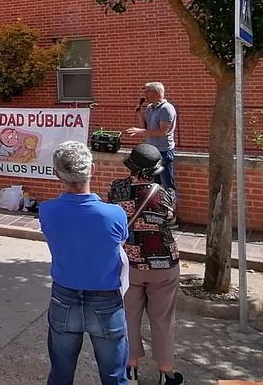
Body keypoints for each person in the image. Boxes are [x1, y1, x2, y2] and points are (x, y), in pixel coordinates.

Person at [40, 140, 129, 385]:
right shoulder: (115, 214)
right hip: (106, 301)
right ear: (92, 169)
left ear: (57, 174)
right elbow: (121, 240)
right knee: (114, 377)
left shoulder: (47, 210)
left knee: (60, 373)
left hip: (64, 297)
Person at [108, 144, 182, 385]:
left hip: (129, 264)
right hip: (164, 265)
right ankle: (166, 371)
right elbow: (171, 223)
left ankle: (130, 368)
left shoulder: (117, 189)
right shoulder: (166, 194)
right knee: (163, 319)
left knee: (129, 315)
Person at [126, 83, 178, 194]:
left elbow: (162, 132)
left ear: (155, 92)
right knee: (155, 184)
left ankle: (171, 209)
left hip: (164, 151)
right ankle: (158, 209)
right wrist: (139, 113)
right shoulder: (150, 108)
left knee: (167, 183)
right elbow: (145, 127)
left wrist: (140, 132)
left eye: (147, 91)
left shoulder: (166, 109)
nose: (144, 94)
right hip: (151, 152)